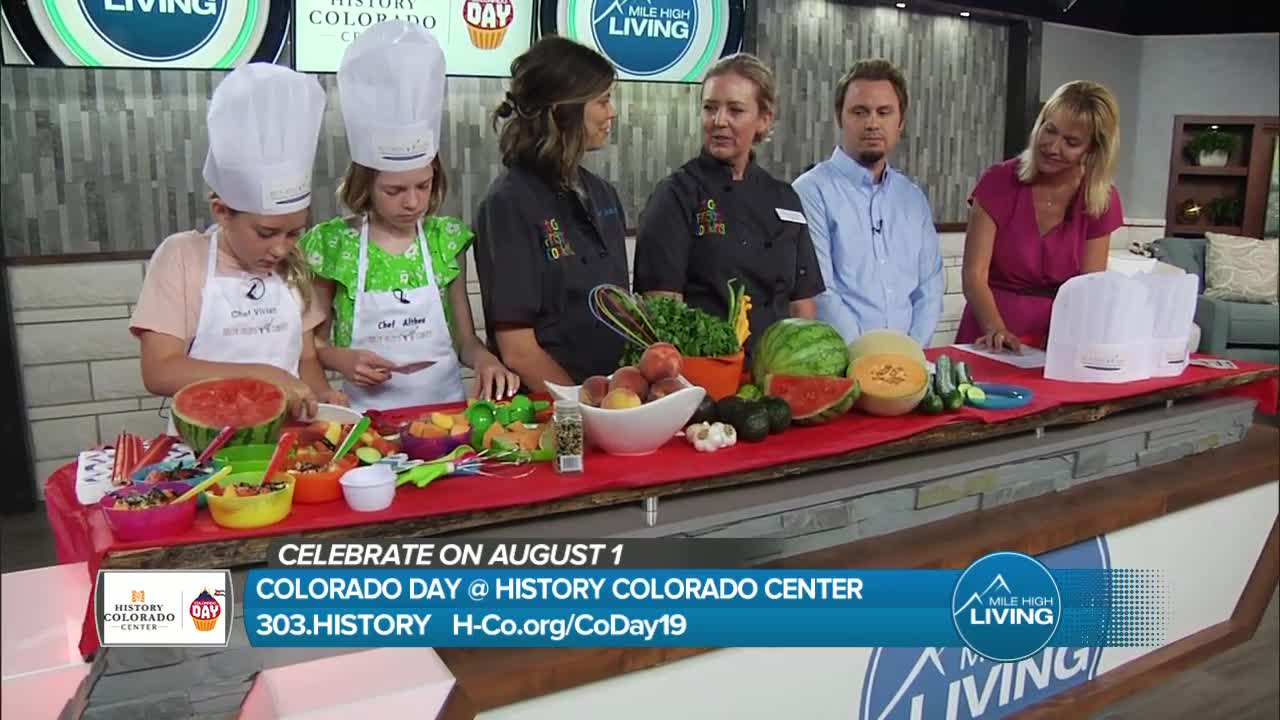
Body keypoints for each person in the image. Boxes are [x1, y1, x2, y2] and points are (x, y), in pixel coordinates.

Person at [300, 22, 518, 412]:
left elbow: (464, 342)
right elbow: (310, 346)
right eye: (394, 191)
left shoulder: (444, 240)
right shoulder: (335, 246)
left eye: (423, 185)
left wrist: (485, 358)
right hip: (366, 421)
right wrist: (341, 359)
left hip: (446, 417)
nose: (412, 202)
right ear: (365, 184)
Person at [131, 63, 341, 425]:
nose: (280, 249)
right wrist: (262, 374)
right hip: (206, 449)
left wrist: (323, 398)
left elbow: (305, 359)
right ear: (222, 212)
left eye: (294, 233)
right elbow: (160, 371)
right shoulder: (182, 256)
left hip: (287, 442)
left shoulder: (293, 263)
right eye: (265, 233)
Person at [633, 53, 824, 361]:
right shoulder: (676, 194)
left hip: (775, 369)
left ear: (764, 120)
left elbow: (802, 303)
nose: (719, 121)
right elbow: (661, 308)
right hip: (705, 373)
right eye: (710, 108)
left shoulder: (785, 197)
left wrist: (804, 364)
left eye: (735, 110)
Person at [472, 36, 628, 391]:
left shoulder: (602, 193)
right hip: (551, 413)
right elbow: (518, 350)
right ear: (561, 110)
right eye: (602, 101)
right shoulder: (508, 204)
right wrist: (582, 409)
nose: (612, 113)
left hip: (614, 401)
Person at [956, 80, 1124, 352]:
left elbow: (1089, 288)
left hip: (1058, 337)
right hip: (988, 331)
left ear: (1093, 150)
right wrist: (996, 329)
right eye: (1050, 130)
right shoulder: (998, 181)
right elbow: (974, 274)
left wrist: (1068, 337)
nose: (1052, 147)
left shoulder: (1101, 200)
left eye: (1071, 142)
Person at [792, 59, 944, 347]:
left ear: (900, 121)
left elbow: (930, 287)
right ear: (840, 118)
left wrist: (910, 352)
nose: (873, 123)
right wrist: (868, 358)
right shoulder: (810, 192)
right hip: (843, 361)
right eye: (860, 112)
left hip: (909, 363)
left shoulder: (913, 199)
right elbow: (822, 292)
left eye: (884, 112)